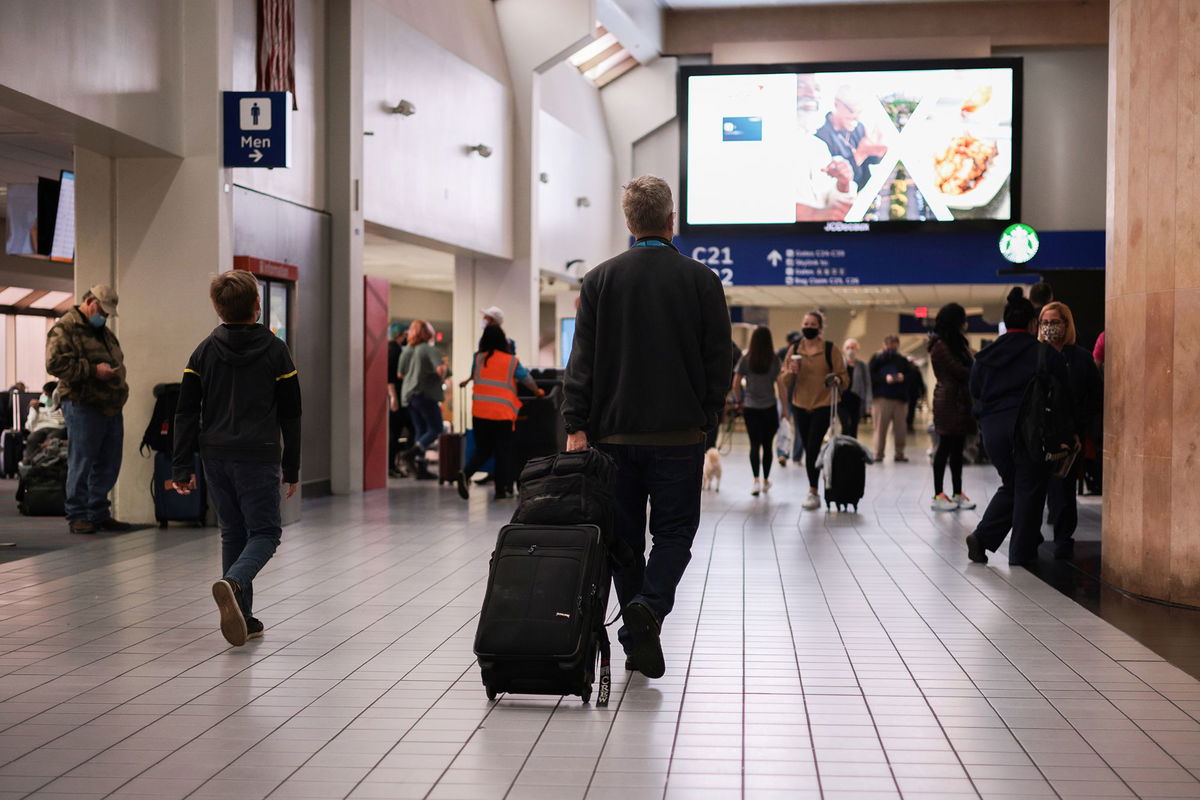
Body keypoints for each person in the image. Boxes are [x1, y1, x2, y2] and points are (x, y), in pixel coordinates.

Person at [562, 175, 731, 680]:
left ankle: (639, 635)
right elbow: (717, 362)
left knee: (625, 541)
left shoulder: (599, 280)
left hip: (612, 438)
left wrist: (576, 423)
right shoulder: (702, 281)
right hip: (678, 437)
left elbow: (582, 361)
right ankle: (649, 611)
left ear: (629, 222)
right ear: (670, 220)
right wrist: (708, 420)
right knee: (675, 533)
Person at [171, 270, 302, 646]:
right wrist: (291, 466)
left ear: (217, 307)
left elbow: (185, 412)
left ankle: (243, 616)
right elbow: (291, 413)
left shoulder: (203, 351)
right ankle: (234, 581)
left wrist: (181, 464)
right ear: (257, 305)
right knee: (265, 532)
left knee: (233, 531)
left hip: (215, 455)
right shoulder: (277, 352)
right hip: (258, 456)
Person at [965, 287, 1072, 566]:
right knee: (1028, 487)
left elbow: (974, 390)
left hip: (992, 432)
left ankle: (983, 538)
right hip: (1028, 430)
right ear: (1032, 324)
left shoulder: (985, 356)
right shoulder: (1043, 354)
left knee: (1015, 484)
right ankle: (1020, 556)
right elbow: (1063, 395)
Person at [46, 285, 131, 535]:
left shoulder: (101, 332)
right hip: (83, 404)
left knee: (108, 462)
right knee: (81, 462)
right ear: (91, 301)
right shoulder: (65, 328)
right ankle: (78, 515)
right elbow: (55, 364)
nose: (104, 316)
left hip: (110, 406)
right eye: (102, 310)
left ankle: (98, 512)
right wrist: (94, 371)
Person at [1038, 302, 1101, 558]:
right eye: (1046, 323)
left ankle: (1064, 539)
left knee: (1064, 491)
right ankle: (1034, 536)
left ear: (1066, 324)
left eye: (1055, 322)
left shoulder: (1081, 357)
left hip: (1070, 434)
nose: (1050, 328)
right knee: (1036, 488)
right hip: (1040, 433)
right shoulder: (1036, 354)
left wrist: (1080, 428)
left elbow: (1094, 396)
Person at [455, 324, 543, 502]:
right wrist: (537, 392)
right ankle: (501, 491)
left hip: (480, 412)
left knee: (483, 449)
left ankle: (466, 472)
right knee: (503, 450)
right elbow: (526, 379)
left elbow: (475, 375)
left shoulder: (478, 358)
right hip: (502, 413)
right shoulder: (510, 361)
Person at [778, 311, 849, 509]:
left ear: (819, 328)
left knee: (812, 445)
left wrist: (837, 379)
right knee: (810, 448)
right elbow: (784, 381)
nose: (808, 327)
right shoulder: (794, 349)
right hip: (800, 404)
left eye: (812, 324)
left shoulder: (830, 349)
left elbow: (844, 377)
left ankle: (813, 491)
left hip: (824, 403)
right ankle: (815, 487)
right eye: (805, 323)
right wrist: (791, 372)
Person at [927, 303, 976, 512]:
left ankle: (957, 493)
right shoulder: (940, 345)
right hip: (947, 401)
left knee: (958, 449)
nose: (965, 324)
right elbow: (959, 371)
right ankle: (938, 494)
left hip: (960, 400)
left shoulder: (956, 343)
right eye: (962, 319)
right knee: (944, 447)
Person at [795, 75, 857, 221]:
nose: (811, 93)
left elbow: (831, 202)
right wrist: (809, 215)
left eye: (816, 88)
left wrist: (843, 183)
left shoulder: (818, 146)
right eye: (801, 86)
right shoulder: (762, 144)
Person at [396, 319, 450, 479]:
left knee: (420, 430)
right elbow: (441, 370)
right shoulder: (428, 349)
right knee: (436, 428)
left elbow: (400, 374)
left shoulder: (407, 350)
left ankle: (420, 469)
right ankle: (411, 454)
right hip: (425, 393)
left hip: (409, 395)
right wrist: (440, 374)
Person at [733, 327, 782, 497]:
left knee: (754, 444)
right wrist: (785, 409)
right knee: (767, 445)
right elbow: (781, 385)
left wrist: (739, 401)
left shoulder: (746, 358)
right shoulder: (774, 359)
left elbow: (736, 382)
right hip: (769, 407)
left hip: (750, 407)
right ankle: (766, 480)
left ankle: (755, 480)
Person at [815, 85, 888, 191]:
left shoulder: (858, 127)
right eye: (852, 110)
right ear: (836, 104)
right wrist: (860, 154)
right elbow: (832, 183)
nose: (857, 117)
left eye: (860, 112)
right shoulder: (821, 139)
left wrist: (878, 151)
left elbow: (870, 161)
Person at [869, 334, 910, 462]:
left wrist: (903, 377)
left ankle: (899, 453)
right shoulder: (876, 359)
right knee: (880, 428)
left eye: (894, 344)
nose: (891, 346)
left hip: (899, 399)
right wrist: (884, 379)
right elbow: (870, 376)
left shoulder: (902, 360)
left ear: (897, 345)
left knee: (900, 429)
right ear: (884, 345)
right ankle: (878, 453)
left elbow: (911, 377)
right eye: (889, 344)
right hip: (882, 399)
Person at [386, 322, 410, 478]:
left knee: (396, 433)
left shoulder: (397, 349)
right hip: (397, 397)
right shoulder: (393, 350)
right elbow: (390, 378)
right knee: (395, 433)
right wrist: (393, 397)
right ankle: (391, 466)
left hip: (399, 396)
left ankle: (393, 465)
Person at [24, 381, 66, 460]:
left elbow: (63, 421)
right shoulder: (37, 405)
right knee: (32, 438)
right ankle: (29, 463)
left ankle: (46, 465)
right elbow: (30, 426)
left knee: (51, 440)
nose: (45, 397)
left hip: (57, 428)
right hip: (40, 428)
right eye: (44, 394)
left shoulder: (62, 406)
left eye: (48, 395)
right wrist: (35, 411)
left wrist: (54, 414)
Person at [841, 338, 870, 438]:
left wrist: (868, 404)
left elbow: (867, 384)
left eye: (853, 347)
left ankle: (852, 449)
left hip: (856, 399)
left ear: (857, 349)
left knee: (854, 427)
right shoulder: (840, 365)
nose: (850, 350)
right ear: (844, 349)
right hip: (842, 399)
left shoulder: (862, 366)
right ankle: (844, 447)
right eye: (848, 347)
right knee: (845, 426)